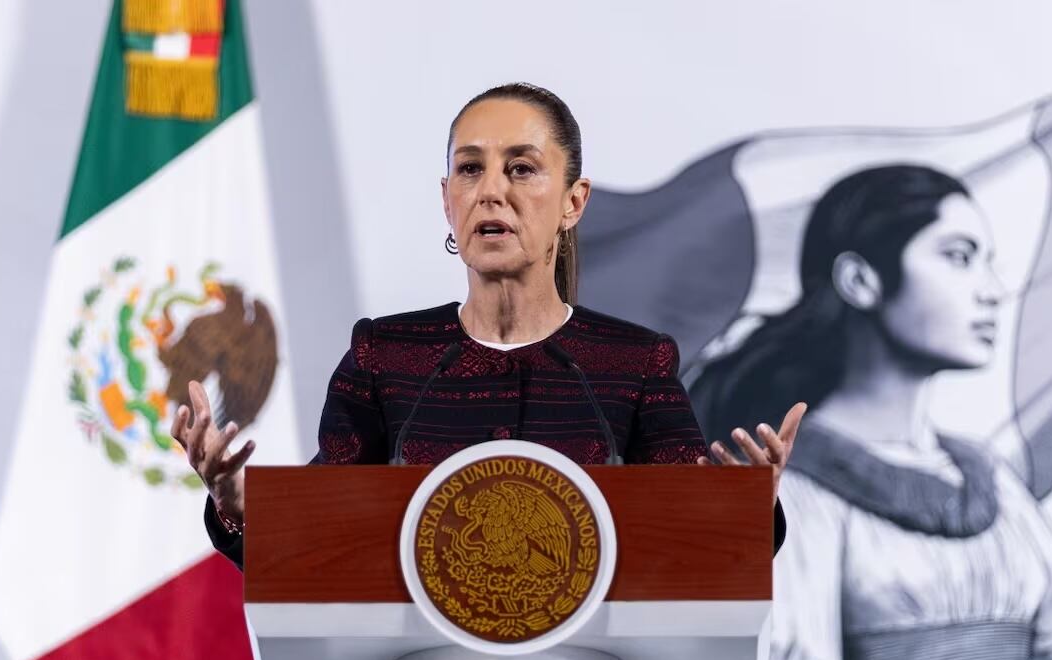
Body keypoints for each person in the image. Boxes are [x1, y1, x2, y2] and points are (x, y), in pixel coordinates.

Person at [172, 83, 805, 570]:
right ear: (447, 197)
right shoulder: (385, 357)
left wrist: (742, 509)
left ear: (573, 201)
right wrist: (239, 510)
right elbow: (311, 545)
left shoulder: (634, 364)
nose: (491, 191)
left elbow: (697, 549)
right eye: (471, 169)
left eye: (522, 168)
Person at [686, 165, 1052, 660]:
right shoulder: (790, 487)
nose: (993, 290)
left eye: (987, 262)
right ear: (860, 280)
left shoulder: (991, 479)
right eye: (958, 257)